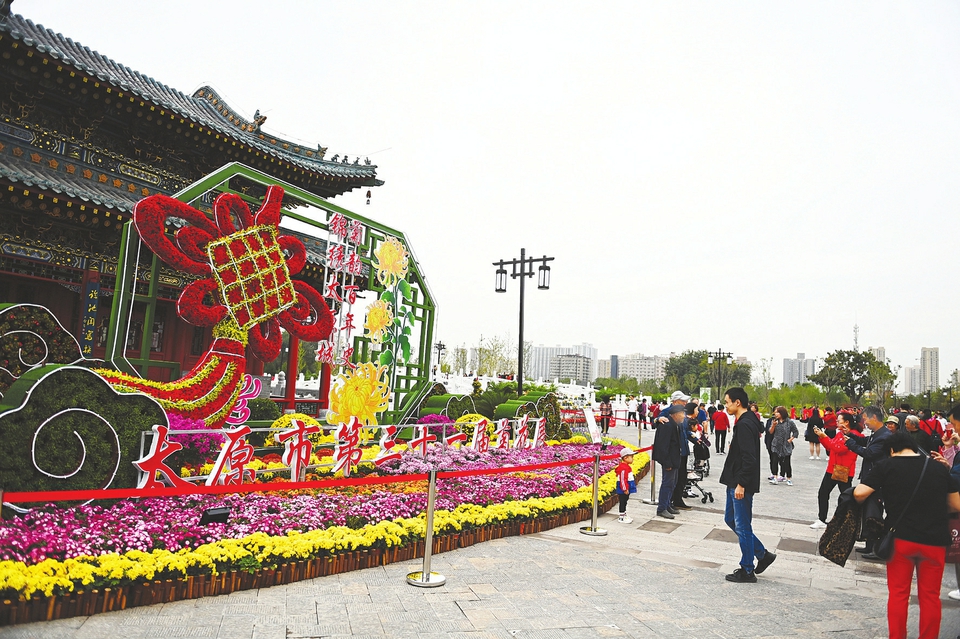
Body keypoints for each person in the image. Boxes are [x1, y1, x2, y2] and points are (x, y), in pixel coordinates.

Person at [854, 431, 960, 639]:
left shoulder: (886, 466)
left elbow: (859, 493)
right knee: (930, 596)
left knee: (899, 594)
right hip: (934, 541)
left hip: (900, 540)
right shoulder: (938, 467)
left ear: (892, 450)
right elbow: (956, 504)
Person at [719, 387, 776, 583]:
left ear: (737, 402)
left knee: (742, 525)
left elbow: (749, 458)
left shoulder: (744, 425)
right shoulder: (747, 421)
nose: (725, 406)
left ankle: (747, 569)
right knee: (731, 519)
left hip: (740, 483)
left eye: (727, 402)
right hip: (734, 480)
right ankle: (762, 554)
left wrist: (741, 484)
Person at [845, 405, 894, 557]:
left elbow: (869, 453)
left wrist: (850, 444)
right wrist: (851, 435)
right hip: (871, 478)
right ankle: (869, 545)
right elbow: (866, 441)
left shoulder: (884, 436)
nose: (864, 422)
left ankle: (876, 548)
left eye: (865, 419)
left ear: (874, 417)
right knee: (869, 512)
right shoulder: (877, 434)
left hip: (878, 482)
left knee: (875, 513)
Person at [810, 412, 860, 529]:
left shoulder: (854, 435)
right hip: (833, 468)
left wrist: (824, 436)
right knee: (823, 493)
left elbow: (839, 449)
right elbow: (830, 446)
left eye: (839, 420)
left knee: (845, 497)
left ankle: (845, 521)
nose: (837, 422)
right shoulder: (840, 434)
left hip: (844, 470)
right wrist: (821, 436)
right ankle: (822, 519)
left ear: (846, 422)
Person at [652, 401, 683, 519]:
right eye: (682, 414)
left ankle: (667, 504)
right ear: (676, 414)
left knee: (673, 483)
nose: (684, 416)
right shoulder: (667, 425)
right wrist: (667, 463)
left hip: (674, 459)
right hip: (669, 460)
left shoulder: (675, 424)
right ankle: (661, 508)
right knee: (667, 484)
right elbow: (663, 446)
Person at [672, 402, 701, 510]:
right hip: (680, 452)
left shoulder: (685, 421)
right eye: (697, 409)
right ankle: (675, 500)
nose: (698, 412)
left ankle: (677, 499)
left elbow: (686, 433)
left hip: (684, 452)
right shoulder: (682, 420)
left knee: (682, 477)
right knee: (679, 478)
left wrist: (695, 440)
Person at [770, 406, 799, 485]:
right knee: (775, 461)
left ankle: (788, 478)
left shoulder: (789, 422)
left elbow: (796, 432)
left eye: (777, 412)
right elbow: (770, 432)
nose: (776, 414)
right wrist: (773, 425)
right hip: (776, 444)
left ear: (782, 413)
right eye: (775, 412)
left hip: (786, 445)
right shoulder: (775, 421)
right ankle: (775, 477)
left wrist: (790, 439)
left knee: (787, 462)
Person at [615, 448, 637, 523]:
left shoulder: (626, 467)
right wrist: (625, 489)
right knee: (623, 501)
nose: (633, 458)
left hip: (626, 486)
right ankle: (621, 516)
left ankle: (623, 514)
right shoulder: (623, 468)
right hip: (624, 488)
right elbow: (622, 479)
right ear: (625, 458)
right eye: (631, 457)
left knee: (625, 500)